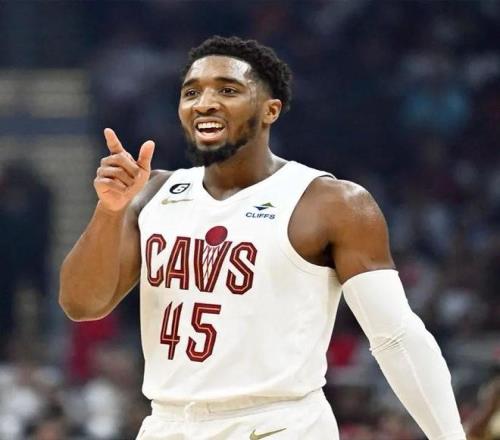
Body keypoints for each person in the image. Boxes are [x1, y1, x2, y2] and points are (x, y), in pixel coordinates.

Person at [59, 36, 466, 439]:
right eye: (192, 92)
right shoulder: (152, 193)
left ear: (271, 109)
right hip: (169, 422)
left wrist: (450, 436)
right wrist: (109, 211)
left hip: (277, 422)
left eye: (228, 90)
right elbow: (81, 305)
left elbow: (396, 336)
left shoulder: (331, 202)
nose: (205, 102)